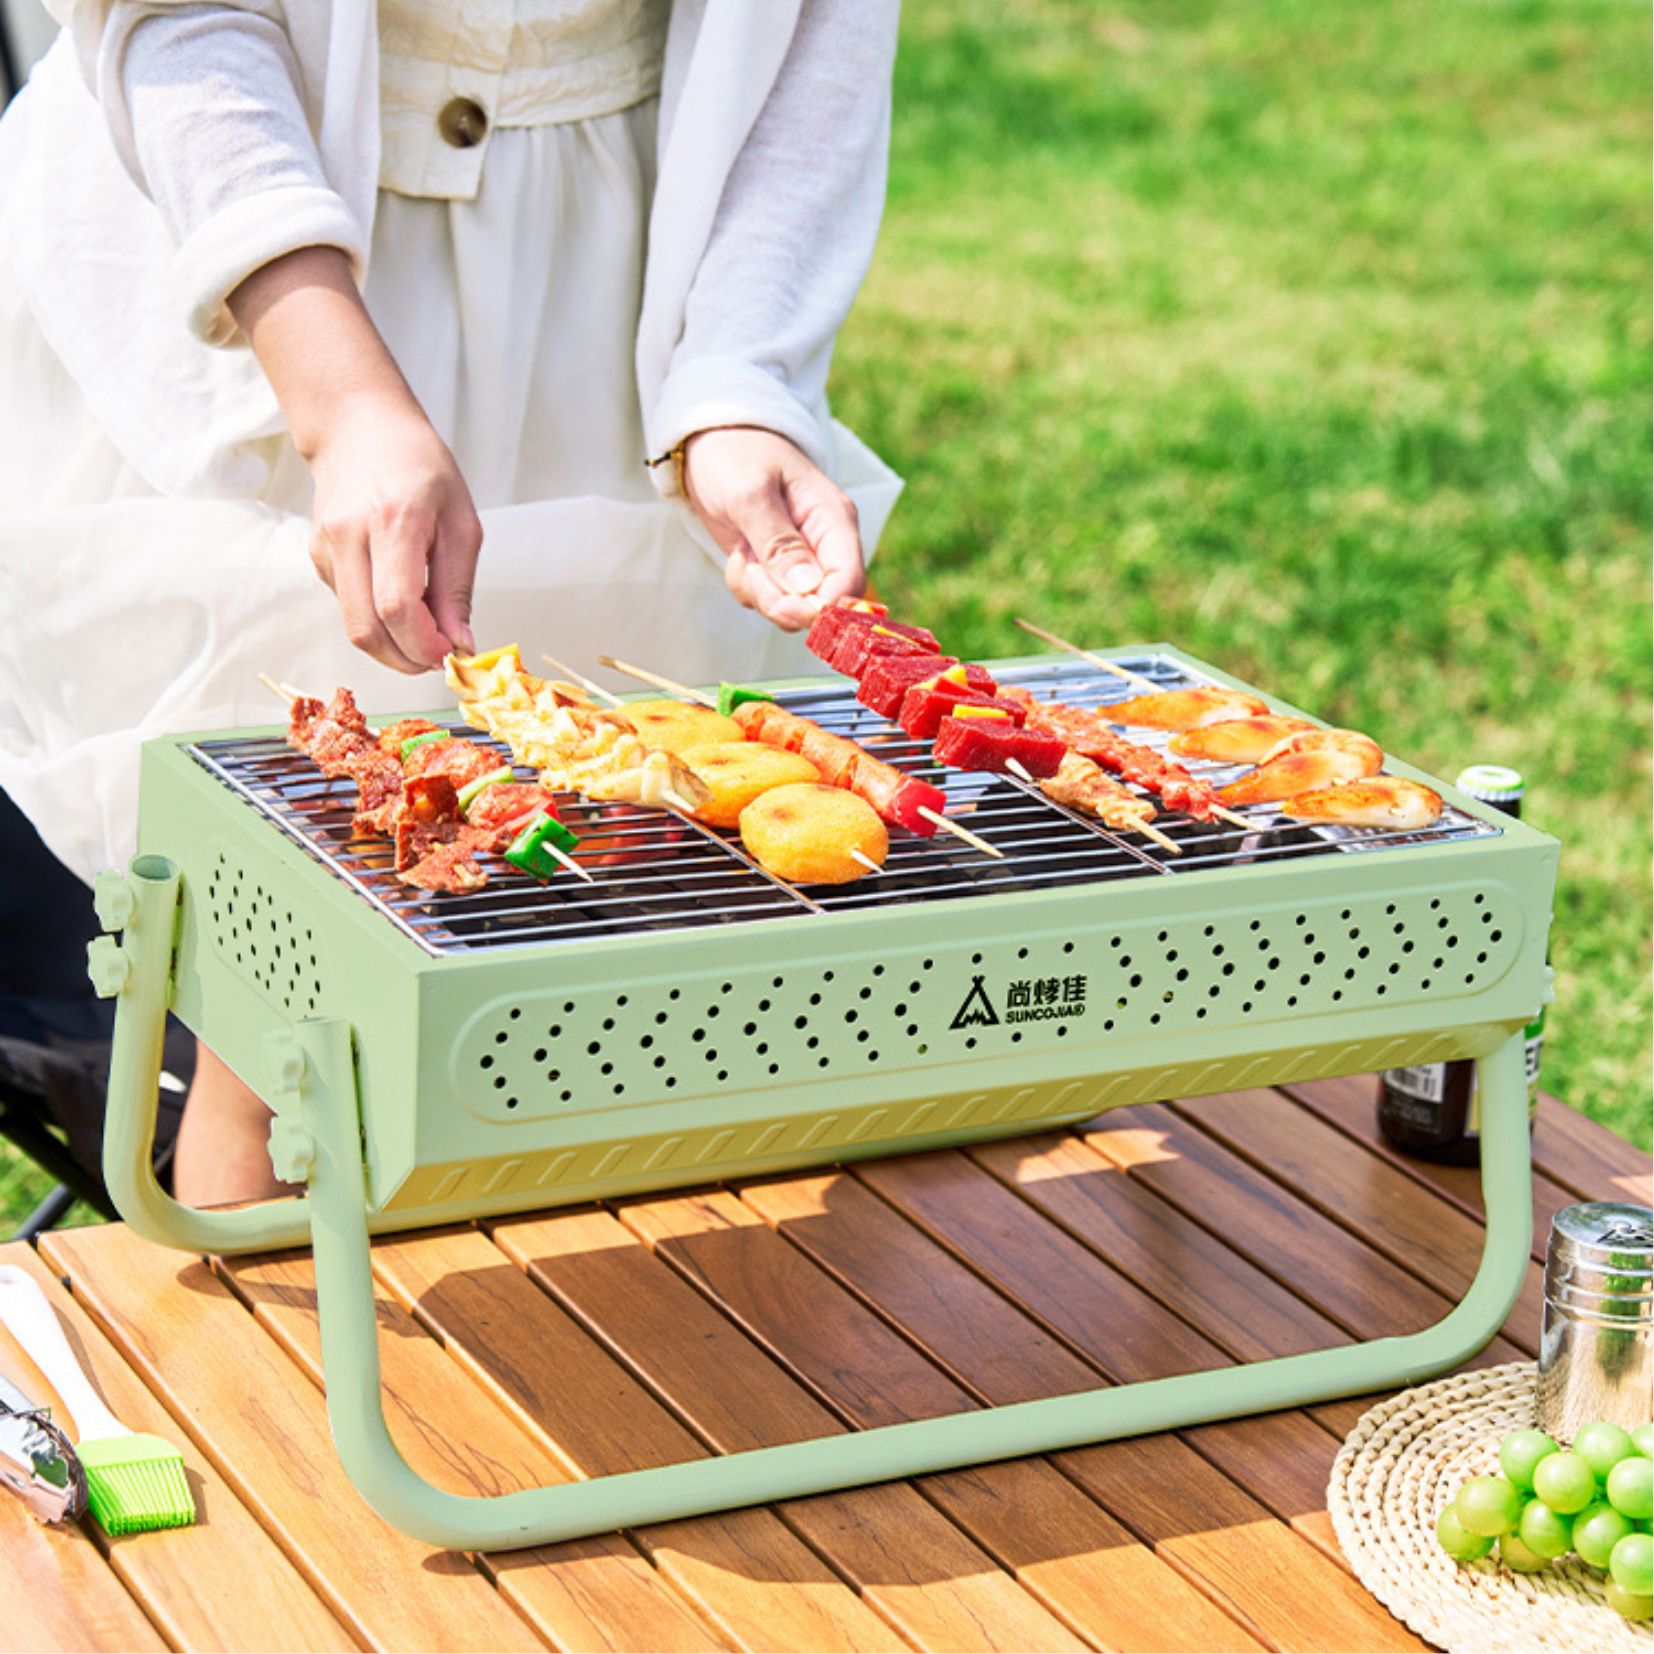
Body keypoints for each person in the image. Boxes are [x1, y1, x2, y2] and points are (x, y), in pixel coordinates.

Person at [0, 0, 903, 1207]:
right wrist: (343, 403)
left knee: (644, 927)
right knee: (273, 1010)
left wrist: (737, 385)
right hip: (258, 245)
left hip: (621, 264)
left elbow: (815, 41)